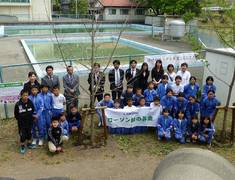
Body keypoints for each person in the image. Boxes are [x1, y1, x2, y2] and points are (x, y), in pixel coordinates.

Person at [14, 90, 35, 154]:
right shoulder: (18, 104)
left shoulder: (30, 102)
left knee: (29, 133)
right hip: (22, 123)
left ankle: (29, 144)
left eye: (26, 95)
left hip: (29, 122)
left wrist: (32, 118)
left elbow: (33, 110)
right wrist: (20, 119)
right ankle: (22, 145)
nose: (25, 97)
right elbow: (16, 114)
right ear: (21, 96)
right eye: (24, 95)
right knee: (22, 135)